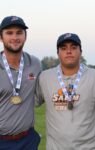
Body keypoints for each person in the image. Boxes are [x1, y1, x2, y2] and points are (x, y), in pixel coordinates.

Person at [36, 33, 95, 150]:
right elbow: (31, 101)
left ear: (81, 51)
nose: (69, 51)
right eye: (63, 48)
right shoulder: (45, 77)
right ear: (58, 52)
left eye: (73, 47)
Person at [0, 16, 41, 150]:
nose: (15, 37)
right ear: (1, 37)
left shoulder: (35, 63)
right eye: (9, 33)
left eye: (19, 32)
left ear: (25, 36)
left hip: (28, 140)